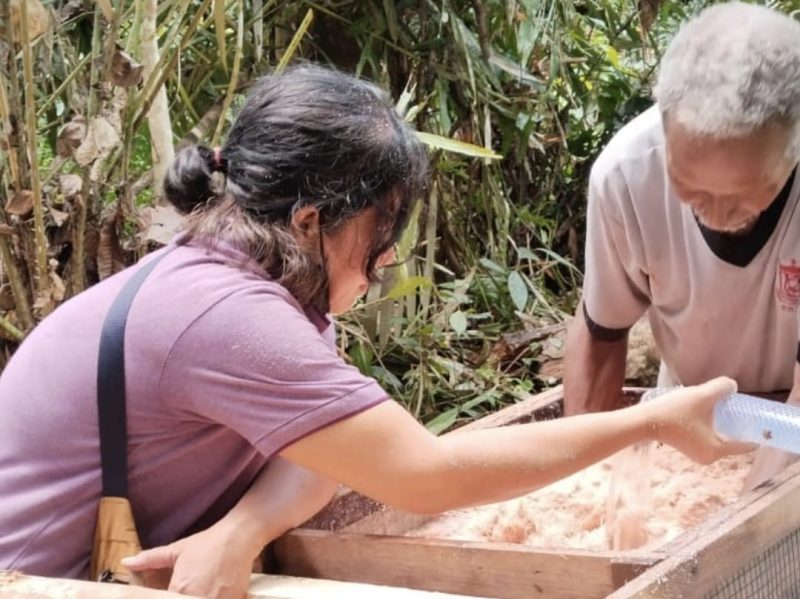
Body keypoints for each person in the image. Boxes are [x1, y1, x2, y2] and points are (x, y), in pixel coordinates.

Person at [0, 64, 748, 599]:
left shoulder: (268, 292)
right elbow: (426, 475)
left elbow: (327, 456)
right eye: (381, 228)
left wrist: (243, 526)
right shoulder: (228, 316)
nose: (388, 258)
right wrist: (652, 420)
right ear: (310, 220)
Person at [563, 2, 800, 488]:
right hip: (691, 411)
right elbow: (602, 334)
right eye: (692, 189)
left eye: (744, 194)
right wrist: (585, 481)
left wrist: (751, 508)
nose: (718, 215)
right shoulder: (625, 174)